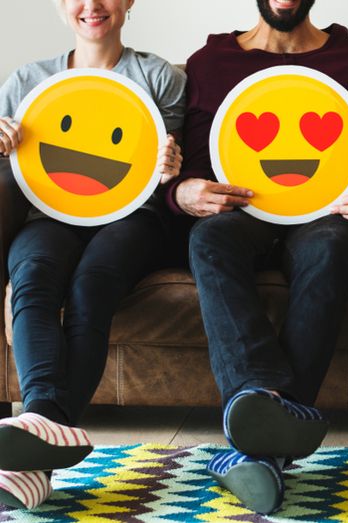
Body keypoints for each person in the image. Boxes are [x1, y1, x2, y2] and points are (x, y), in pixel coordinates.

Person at [171, 0, 348, 514]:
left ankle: (257, 445)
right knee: (208, 240)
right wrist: (183, 192)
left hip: (326, 215)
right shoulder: (210, 63)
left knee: (332, 248)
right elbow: (186, 163)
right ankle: (262, 407)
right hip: (242, 209)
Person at [0, 0, 184, 511]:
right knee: (33, 276)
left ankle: (37, 442)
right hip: (49, 215)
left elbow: (169, 174)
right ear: (61, 7)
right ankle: (43, 426)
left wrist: (171, 165)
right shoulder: (27, 81)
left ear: (128, 3)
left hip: (133, 217)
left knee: (92, 285)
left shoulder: (159, 77)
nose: (93, 6)